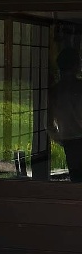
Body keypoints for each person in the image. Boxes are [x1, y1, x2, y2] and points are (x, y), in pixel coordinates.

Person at [47, 47, 82, 182]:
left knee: (76, 179)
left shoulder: (54, 91)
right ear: (76, 65)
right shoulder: (79, 87)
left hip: (69, 139)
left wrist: (58, 137)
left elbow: (49, 123)